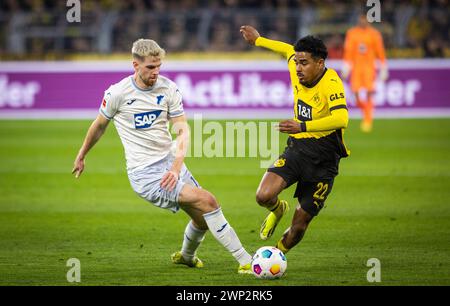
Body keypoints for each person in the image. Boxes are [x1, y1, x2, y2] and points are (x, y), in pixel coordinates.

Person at [72, 39, 252, 274]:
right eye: (150, 67)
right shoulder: (117, 93)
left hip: (171, 164)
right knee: (209, 201)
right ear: (135, 65)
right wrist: (82, 154)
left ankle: (186, 257)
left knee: (202, 218)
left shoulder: (168, 89)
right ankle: (247, 261)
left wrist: (176, 167)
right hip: (146, 174)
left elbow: (182, 130)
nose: (155, 72)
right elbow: (99, 126)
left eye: (158, 66)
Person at [240, 25, 350, 254]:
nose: (298, 67)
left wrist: (302, 125)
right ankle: (278, 209)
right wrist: (259, 40)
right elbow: (287, 50)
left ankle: (276, 255)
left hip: (325, 160)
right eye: (297, 62)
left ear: (319, 63)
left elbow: (341, 118)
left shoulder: (331, 83)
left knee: (299, 225)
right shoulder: (296, 64)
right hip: (298, 150)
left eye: (304, 63)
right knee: (263, 196)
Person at [342, 14, 388, 132]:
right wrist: (346, 66)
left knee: (368, 93)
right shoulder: (352, 33)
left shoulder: (374, 34)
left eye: (365, 19)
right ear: (359, 19)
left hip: (369, 69)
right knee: (355, 94)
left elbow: (380, 51)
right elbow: (348, 52)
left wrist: (383, 67)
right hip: (356, 69)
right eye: (361, 19)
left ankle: (368, 119)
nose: (363, 21)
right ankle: (367, 110)